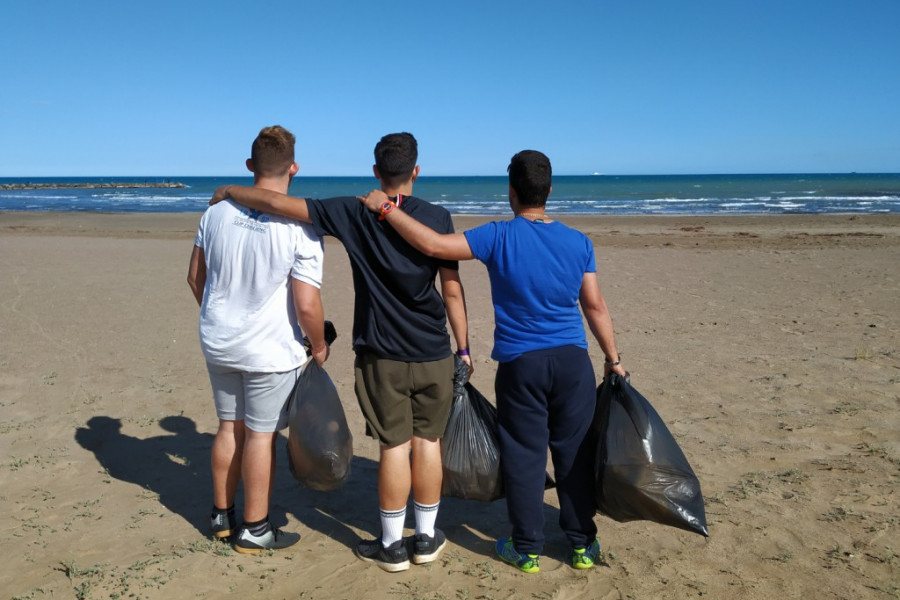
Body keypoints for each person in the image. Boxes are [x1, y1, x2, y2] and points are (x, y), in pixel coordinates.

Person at [210, 132, 471, 572]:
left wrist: (231, 191)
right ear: (416, 172)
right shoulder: (439, 217)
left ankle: (391, 546)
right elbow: (452, 291)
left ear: (375, 172)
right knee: (428, 443)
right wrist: (463, 348)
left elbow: (278, 205)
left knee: (393, 447)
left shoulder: (354, 210)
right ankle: (425, 539)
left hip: (380, 352)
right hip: (432, 350)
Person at [358, 149, 628, 574]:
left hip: (522, 365)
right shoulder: (578, 242)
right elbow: (594, 306)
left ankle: (527, 549)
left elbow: (431, 243)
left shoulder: (498, 235)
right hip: (574, 362)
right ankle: (581, 544)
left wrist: (386, 207)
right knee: (573, 452)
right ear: (550, 190)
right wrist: (614, 359)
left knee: (524, 455)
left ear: (511, 192)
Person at [187, 125, 328, 554]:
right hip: (268, 349)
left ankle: (221, 516)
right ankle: (255, 527)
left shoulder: (214, 213)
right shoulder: (301, 227)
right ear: (294, 168)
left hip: (219, 339)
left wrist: (220, 317)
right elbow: (307, 305)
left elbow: (195, 278)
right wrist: (319, 345)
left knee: (230, 427)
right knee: (261, 435)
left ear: (251, 166)